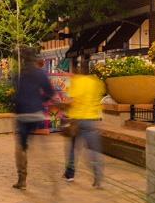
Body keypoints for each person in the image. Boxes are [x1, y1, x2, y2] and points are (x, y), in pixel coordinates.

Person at [11, 47, 55, 190]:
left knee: (21, 148)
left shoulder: (20, 76)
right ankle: (52, 176)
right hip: (37, 114)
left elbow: (16, 96)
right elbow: (50, 92)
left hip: (23, 115)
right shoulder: (40, 74)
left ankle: (22, 180)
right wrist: (40, 99)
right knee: (43, 148)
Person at [63, 62, 106, 188]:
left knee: (72, 148)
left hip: (76, 120)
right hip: (92, 120)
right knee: (93, 149)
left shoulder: (77, 81)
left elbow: (73, 100)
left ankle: (69, 174)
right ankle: (98, 176)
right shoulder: (97, 82)